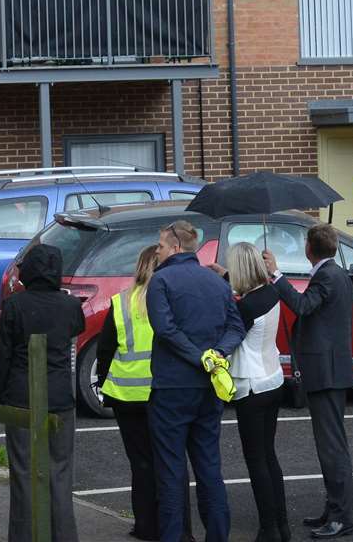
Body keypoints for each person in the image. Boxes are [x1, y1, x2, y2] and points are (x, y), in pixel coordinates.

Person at [146, 219, 245, 542]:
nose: (157, 252)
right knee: (209, 467)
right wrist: (215, 354)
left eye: (160, 246)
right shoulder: (216, 282)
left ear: (175, 247)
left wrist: (198, 356)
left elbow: (165, 329)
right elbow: (236, 327)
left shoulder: (161, 281)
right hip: (209, 388)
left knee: (171, 472)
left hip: (172, 388)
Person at [265, 224, 353, 539]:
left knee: (332, 448)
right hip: (330, 371)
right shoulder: (335, 273)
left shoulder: (327, 276)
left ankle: (341, 518)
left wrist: (276, 275)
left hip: (326, 374)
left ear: (308, 249)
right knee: (330, 446)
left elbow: (303, 305)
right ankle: (333, 510)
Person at [0, 243, 87, 542]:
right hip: (60, 399)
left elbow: (3, 356)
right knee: (60, 473)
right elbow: (75, 329)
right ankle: (63, 536)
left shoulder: (14, 306)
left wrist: (1, 394)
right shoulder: (70, 305)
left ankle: (24, 536)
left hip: (21, 398)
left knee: (23, 474)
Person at [97, 244, 167, 540]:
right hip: (161, 392)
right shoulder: (167, 299)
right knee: (165, 461)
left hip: (126, 394)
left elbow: (104, 350)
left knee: (140, 463)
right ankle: (170, 524)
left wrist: (103, 385)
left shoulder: (121, 301)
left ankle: (144, 526)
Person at [228, 241, 290, 542]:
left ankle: (268, 530)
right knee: (269, 456)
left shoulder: (246, 306)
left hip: (250, 386)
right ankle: (282, 524)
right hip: (272, 379)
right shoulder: (271, 293)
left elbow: (229, 337)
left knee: (256, 461)